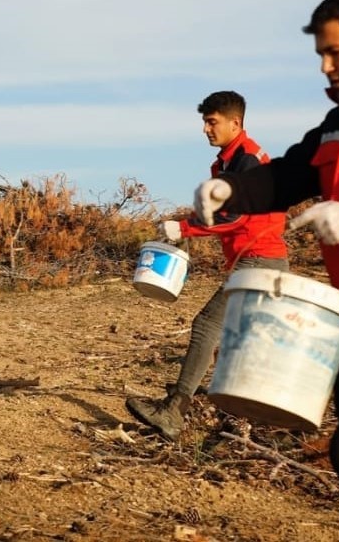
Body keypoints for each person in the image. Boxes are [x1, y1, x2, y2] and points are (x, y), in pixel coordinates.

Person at [193, 0, 339, 541]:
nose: (324, 65)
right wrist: (231, 190)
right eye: (320, 52)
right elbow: (292, 174)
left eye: (334, 52)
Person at [125, 91, 289, 441]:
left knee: (206, 325)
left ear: (236, 123)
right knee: (242, 338)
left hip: (260, 261)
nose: (205, 129)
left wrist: (185, 228)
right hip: (258, 260)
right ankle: (246, 413)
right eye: (204, 121)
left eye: (212, 122)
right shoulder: (228, 163)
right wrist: (185, 226)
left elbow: (236, 215)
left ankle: (174, 411)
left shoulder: (248, 162)